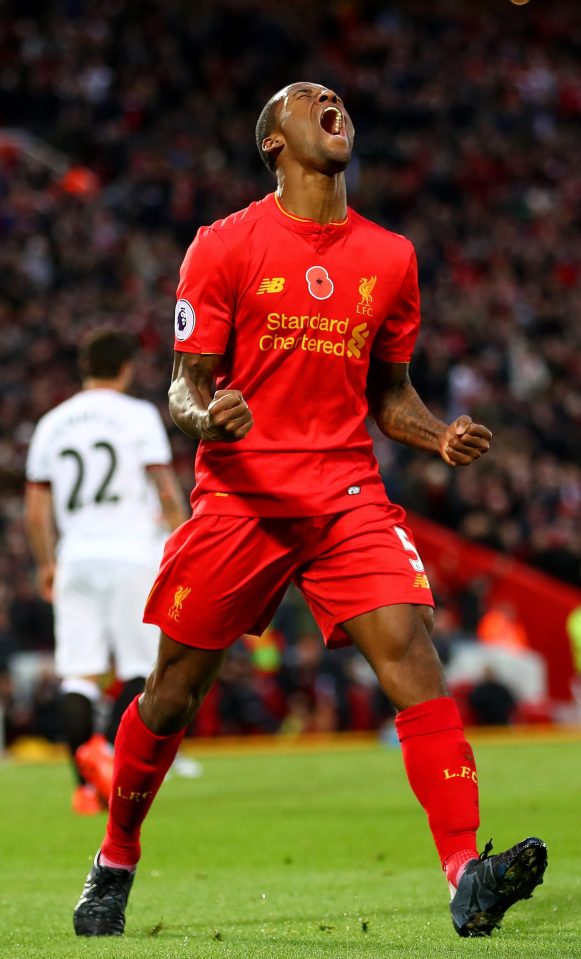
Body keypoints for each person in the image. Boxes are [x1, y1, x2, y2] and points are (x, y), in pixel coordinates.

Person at [73, 83, 547, 937]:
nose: (328, 99)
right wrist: (204, 414)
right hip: (241, 498)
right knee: (172, 693)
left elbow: (388, 394)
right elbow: (185, 383)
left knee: (412, 656)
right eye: (304, 98)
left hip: (345, 496)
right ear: (273, 142)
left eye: (333, 95)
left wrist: (437, 437)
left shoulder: (391, 257)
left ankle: (463, 872)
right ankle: (115, 856)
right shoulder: (223, 245)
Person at [25, 329, 188, 814]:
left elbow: (36, 512)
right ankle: (113, 765)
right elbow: (164, 488)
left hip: (76, 557)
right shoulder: (138, 417)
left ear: (84, 368)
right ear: (126, 369)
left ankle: (84, 787)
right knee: (141, 672)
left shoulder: (52, 423)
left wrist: (47, 563)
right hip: (132, 553)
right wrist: (184, 543)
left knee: (78, 676)